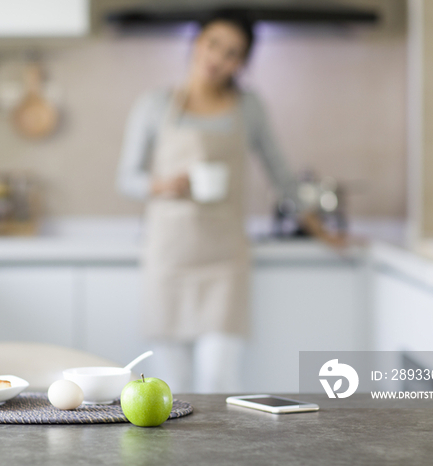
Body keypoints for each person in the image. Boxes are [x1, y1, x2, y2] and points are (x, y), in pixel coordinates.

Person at [116, 13, 343, 393]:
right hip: (168, 258)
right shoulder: (154, 104)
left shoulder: (249, 107)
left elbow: (281, 174)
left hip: (224, 261)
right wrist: (161, 184)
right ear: (196, 42)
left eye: (233, 52)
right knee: (170, 384)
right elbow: (127, 178)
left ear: (242, 64)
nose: (218, 57)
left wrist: (319, 229)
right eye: (213, 44)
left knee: (220, 378)